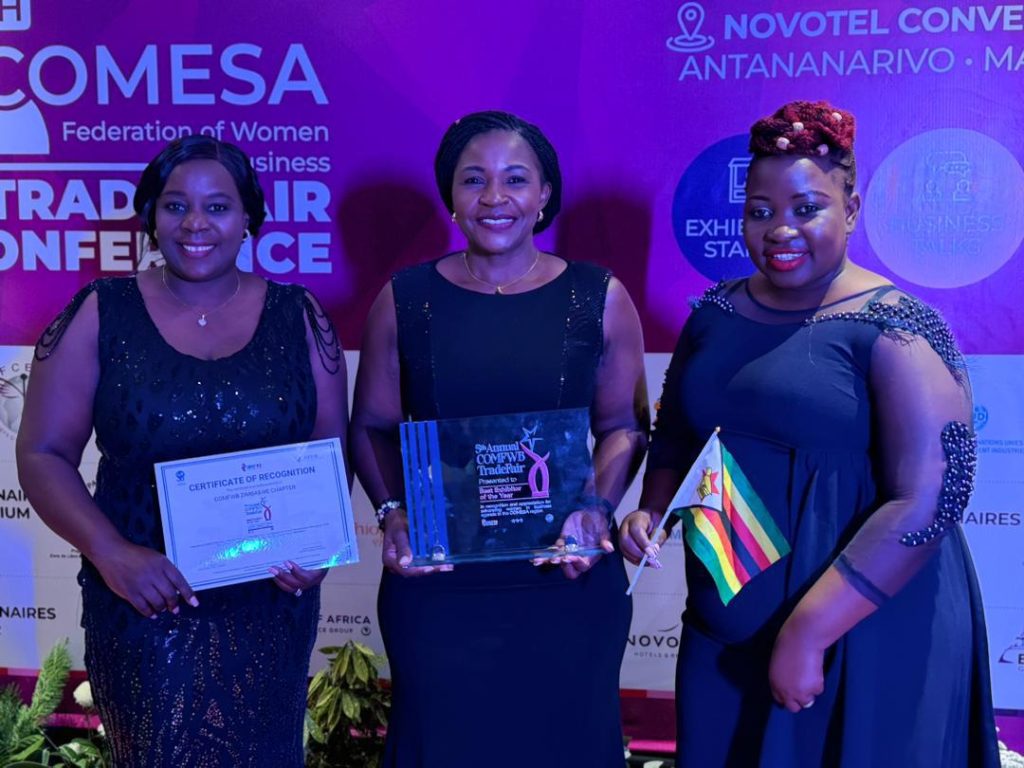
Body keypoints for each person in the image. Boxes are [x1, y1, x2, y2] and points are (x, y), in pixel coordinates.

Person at [620, 100, 999, 767]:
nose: (779, 229)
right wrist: (651, 507)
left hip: (861, 630)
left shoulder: (895, 329)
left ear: (851, 209)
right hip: (728, 617)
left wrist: (809, 633)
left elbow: (930, 499)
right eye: (760, 211)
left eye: (806, 208)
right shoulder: (715, 312)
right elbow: (678, 433)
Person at [16, 134, 347, 767]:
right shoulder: (100, 311)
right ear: (150, 216)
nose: (195, 224)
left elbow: (328, 448)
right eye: (175, 206)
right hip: (145, 603)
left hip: (270, 604)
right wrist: (111, 553)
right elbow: (42, 453)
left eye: (218, 207)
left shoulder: (298, 314)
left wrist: (319, 547)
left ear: (249, 216)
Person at [349, 110, 648, 768]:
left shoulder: (596, 296)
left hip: (564, 580)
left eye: (516, 179)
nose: (494, 198)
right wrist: (392, 513)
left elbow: (624, 426)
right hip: (440, 582)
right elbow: (370, 427)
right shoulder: (406, 299)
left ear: (545, 195)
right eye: (473, 179)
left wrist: (594, 508)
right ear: (450, 196)